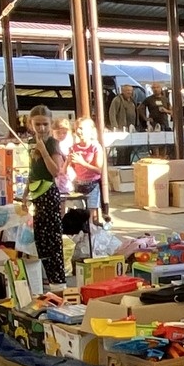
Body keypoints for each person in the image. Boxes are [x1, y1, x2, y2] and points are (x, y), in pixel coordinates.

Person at [24, 107, 68, 286]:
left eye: (45, 124)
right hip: (35, 193)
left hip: (48, 193)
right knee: (40, 240)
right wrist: (25, 195)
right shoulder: (30, 142)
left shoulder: (51, 143)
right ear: (31, 124)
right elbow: (32, 171)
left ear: (50, 124)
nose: (41, 128)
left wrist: (43, 151)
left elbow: (56, 171)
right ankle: (47, 280)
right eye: (37, 124)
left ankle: (58, 281)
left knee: (52, 240)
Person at [67, 117, 105, 226]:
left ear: (90, 130)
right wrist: (68, 163)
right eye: (76, 129)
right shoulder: (73, 148)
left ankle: (91, 233)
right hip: (78, 184)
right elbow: (69, 167)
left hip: (92, 185)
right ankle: (81, 233)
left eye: (81, 128)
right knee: (78, 214)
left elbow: (98, 170)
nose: (78, 131)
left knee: (90, 216)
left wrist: (82, 162)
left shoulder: (95, 147)